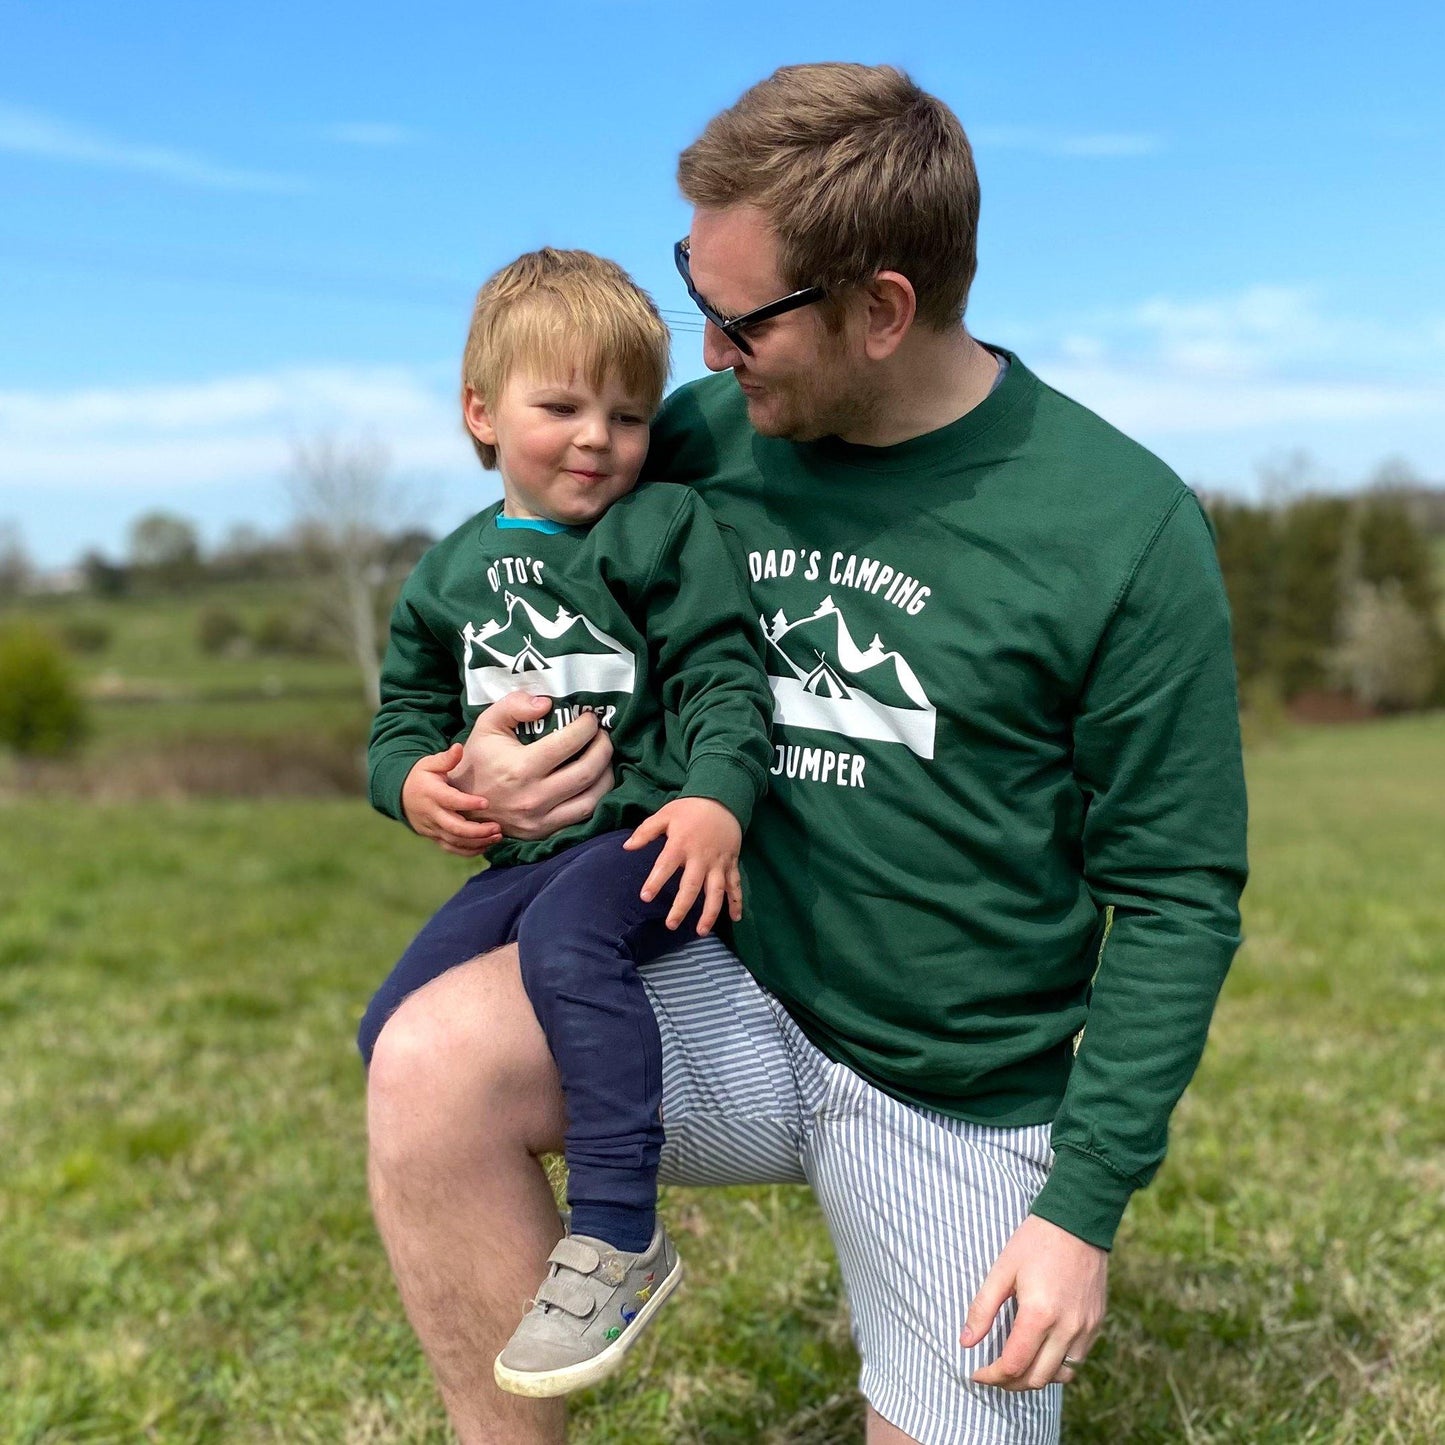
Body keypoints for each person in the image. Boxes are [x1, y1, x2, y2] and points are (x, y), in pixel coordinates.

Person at [363, 63, 1248, 1445]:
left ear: (881, 310)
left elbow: (1181, 894)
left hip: (953, 1083)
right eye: (690, 297)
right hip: (729, 977)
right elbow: (520, 583)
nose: (705, 360)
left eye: (738, 324)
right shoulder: (700, 442)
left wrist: (1081, 1208)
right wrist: (473, 766)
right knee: (423, 1065)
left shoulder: (1119, 532)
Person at [357, 248, 773, 1398]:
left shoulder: (661, 528)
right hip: (517, 859)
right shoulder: (447, 575)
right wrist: (415, 787)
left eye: (627, 413)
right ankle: (512, 1259)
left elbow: (725, 679)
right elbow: (400, 719)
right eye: (562, 406)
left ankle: (617, 1230)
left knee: (567, 945)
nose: (598, 437)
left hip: (639, 838)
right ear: (481, 413)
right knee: (392, 1039)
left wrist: (712, 797)